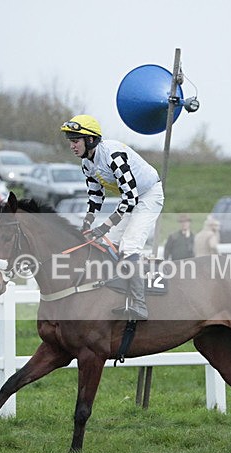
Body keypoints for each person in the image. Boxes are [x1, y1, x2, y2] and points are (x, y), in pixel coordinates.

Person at [61, 114, 164, 320]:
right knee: (107, 244)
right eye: (71, 142)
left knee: (130, 247)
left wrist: (104, 226)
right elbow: (95, 196)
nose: (72, 146)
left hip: (148, 195)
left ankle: (140, 304)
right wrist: (87, 223)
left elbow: (130, 199)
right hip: (131, 199)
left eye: (75, 141)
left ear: (90, 140)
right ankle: (117, 293)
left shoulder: (113, 155)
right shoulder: (87, 164)